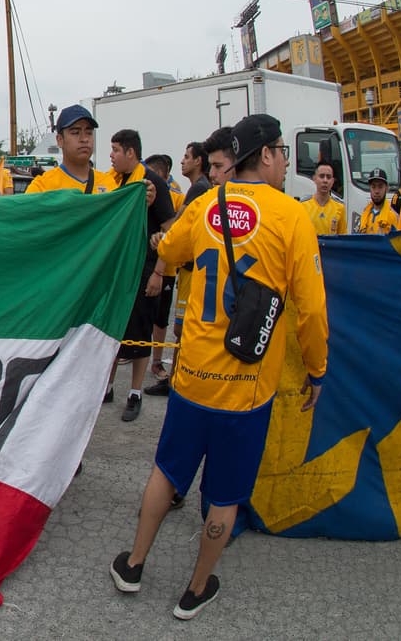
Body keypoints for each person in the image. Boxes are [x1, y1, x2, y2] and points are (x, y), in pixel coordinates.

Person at [111, 113, 327, 621]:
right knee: (224, 495)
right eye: (283, 153)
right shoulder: (292, 215)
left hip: (192, 377)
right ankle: (195, 588)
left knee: (167, 471)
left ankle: (134, 564)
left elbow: (170, 248)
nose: (285, 163)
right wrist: (317, 370)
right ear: (267, 155)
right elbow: (313, 310)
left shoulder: (208, 201)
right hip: (246, 388)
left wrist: (161, 241)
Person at [107, 129, 176, 422]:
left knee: (140, 333)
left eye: (115, 150)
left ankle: (134, 393)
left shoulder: (151, 183)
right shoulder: (118, 181)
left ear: (130, 153)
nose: (111, 156)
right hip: (120, 270)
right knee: (114, 329)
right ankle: (108, 386)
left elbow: (170, 229)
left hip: (145, 269)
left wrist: (158, 272)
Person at [146, 142, 212, 398]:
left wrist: (162, 248)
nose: (182, 161)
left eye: (187, 156)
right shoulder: (198, 188)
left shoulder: (198, 189)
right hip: (190, 268)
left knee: (181, 328)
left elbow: (177, 230)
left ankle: (179, 381)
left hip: (190, 269)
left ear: (198, 161)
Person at [25, 106, 112, 194]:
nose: (84, 139)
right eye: (75, 133)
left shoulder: (109, 184)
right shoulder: (42, 187)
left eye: (89, 133)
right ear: (60, 140)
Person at [302, 161, 347, 235]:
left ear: (332, 181)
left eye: (328, 177)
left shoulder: (340, 207)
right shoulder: (303, 205)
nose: (325, 180)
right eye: (321, 176)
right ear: (314, 179)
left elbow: (342, 237)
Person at [355, 168, 398, 235]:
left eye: (380, 187)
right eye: (373, 187)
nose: (376, 191)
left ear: (386, 188)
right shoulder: (364, 214)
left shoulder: (392, 216)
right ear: (370, 188)